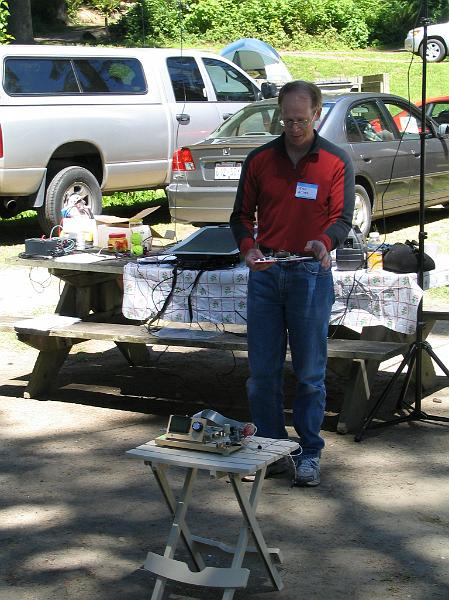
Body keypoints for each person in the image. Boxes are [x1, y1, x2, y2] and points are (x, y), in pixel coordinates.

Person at [230, 80, 355, 486]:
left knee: (309, 374)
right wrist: (248, 248)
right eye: (286, 120)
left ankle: (308, 453)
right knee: (262, 373)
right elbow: (240, 216)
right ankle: (269, 449)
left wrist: (324, 241)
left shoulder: (335, 161)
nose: (294, 127)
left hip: (309, 276)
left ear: (317, 114)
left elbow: (342, 219)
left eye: (301, 120)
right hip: (266, 273)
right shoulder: (261, 159)